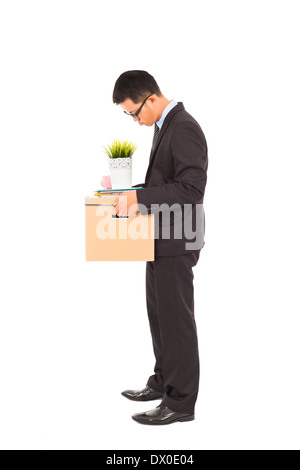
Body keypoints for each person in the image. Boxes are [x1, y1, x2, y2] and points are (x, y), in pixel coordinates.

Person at [112, 70, 208, 425]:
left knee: (176, 320)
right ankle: (164, 381)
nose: (135, 121)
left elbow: (190, 190)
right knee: (159, 315)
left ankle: (180, 403)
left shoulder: (183, 126)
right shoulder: (162, 126)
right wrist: (126, 192)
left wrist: (138, 197)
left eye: (135, 112)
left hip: (178, 238)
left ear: (151, 98)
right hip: (160, 235)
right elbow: (164, 183)